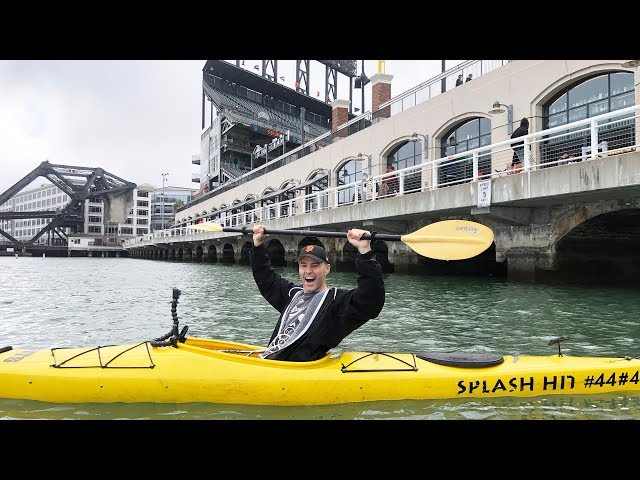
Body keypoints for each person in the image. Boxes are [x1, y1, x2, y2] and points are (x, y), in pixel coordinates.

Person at [249, 224, 385, 362]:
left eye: (315, 265)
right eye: (303, 265)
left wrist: (365, 252)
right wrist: (258, 244)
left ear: (327, 269)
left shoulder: (335, 303)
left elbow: (370, 302)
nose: (308, 271)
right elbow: (265, 278)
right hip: (270, 363)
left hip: (296, 374)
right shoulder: (292, 294)